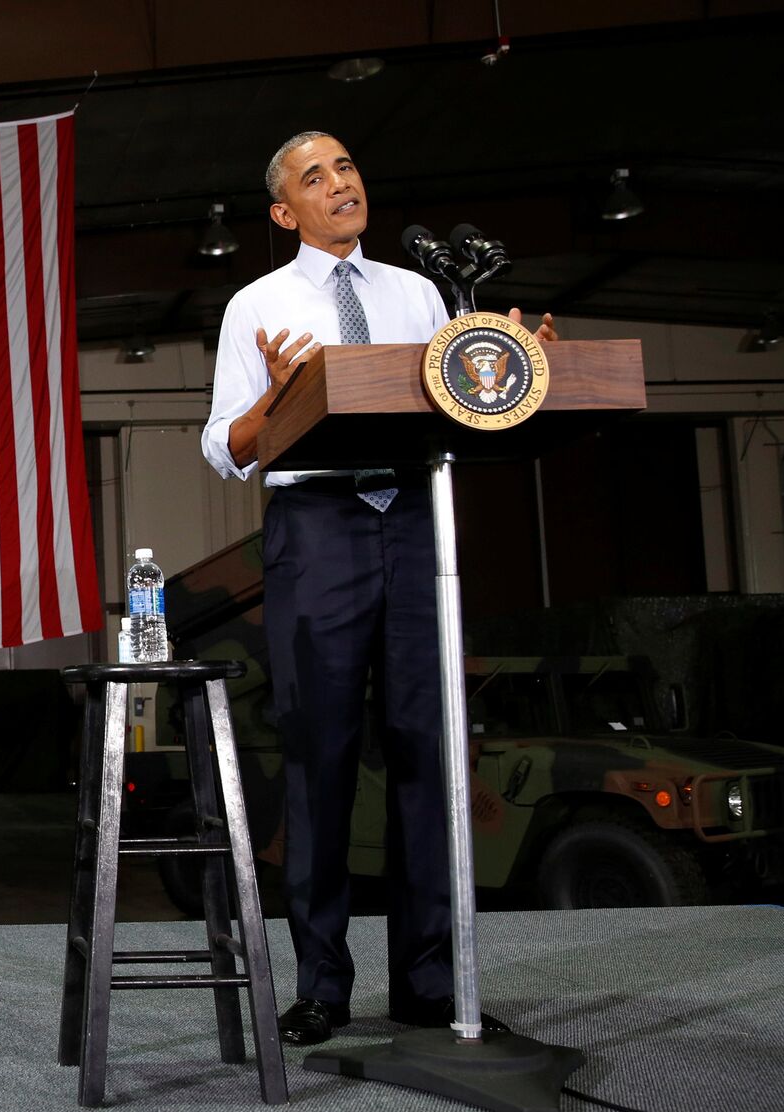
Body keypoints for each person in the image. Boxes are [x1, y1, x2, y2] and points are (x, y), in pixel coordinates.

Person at [200, 131, 556, 1046]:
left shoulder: (420, 292)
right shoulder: (257, 304)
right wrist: (277, 397)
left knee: (427, 754)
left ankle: (428, 984)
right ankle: (322, 986)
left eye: (347, 167)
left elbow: (460, 400)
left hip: (413, 520)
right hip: (319, 528)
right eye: (315, 177)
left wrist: (520, 362)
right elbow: (225, 448)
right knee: (319, 757)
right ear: (285, 212)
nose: (340, 184)